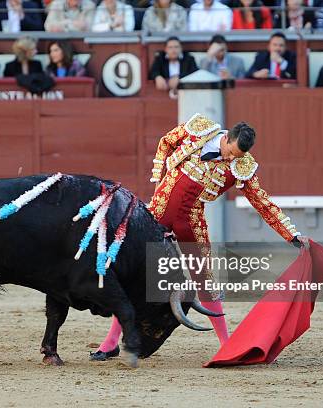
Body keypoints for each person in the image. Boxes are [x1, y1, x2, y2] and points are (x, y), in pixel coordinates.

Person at [90, 114, 307, 361]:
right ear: (226, 138)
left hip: (190, 221)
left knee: (204, 280)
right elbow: (166, 142)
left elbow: (262, 202)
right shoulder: (199, 130)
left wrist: (291, 234)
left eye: (236, 157)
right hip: (156, 214)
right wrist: (161, 181)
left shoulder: (242, 166)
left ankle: (227, 344)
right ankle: (110, 343)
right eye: (230, 152)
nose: (230, 159)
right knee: (134, 276)